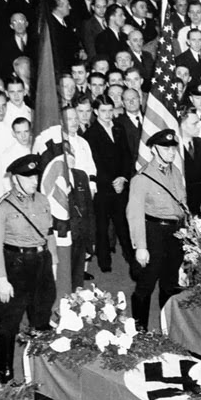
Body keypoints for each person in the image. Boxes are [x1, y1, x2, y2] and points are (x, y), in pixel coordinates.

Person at [0, 154, 57, 384]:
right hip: (15, 266)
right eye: (27, 177)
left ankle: (42, 373)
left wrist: (53, 263)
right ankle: (6, 375)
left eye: (35, 176)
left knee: (42, 317)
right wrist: (1, 279)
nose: (33, 180)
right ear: (14, 179)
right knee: (10, 322)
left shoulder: (43, 200)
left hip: (41, 263)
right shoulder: (1, 208)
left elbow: (49, 234)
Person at [126, 129, 187, 330]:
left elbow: (182, 204)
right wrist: (141, 247)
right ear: (153, 149)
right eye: (165, 148)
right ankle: (140, 330)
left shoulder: (175, 172)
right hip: (153, 232)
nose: (171, 152)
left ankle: (167, 326)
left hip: (175, 233)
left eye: (173, 148)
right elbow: (134, 214)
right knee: (147, 283)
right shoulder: (142, 178)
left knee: (170, 283)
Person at [83, 95, 132, 273]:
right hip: (104, 188)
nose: (107, 114)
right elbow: (94, 163)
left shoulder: (119, 128)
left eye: (110, 110)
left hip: (120, 186)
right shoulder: (90, 134)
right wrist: (111, 182)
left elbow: (127, 155)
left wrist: (123, 178)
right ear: (96, 112)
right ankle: (105, 263)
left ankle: (131, 258)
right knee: (102, 227)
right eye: (103, 111)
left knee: (123, 225)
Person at [179, 106, 201, 214]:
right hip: (182, 203)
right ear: (182, 125)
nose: (199, 126)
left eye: (199, 122)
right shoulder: (174, 148)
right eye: (194, 124)